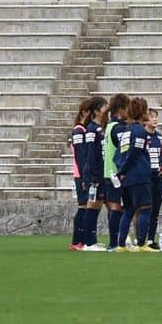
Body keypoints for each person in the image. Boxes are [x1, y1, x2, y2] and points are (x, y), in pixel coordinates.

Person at [114, 97, 156, 252]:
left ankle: (121, 245)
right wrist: (124, 171)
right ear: (142, 112)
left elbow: (117, 155)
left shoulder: (125, 131)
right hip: (138, 176)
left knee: (129, 210)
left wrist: (121, 172)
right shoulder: (140, 131)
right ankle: (141, 244)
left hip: (126, 178)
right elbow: (135, 153)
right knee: (145, 209)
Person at [78, 96, 109, 251]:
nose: (107, 109)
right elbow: (90, 155)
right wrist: (92, 176)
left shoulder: (101, 128)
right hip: (96, 175)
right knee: (93, 206)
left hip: (102, 174)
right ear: (97, 111)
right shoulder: (91, 129)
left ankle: (92, 240)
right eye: (104, 107)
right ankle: (89, 242)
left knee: (97, 206)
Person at [101, 93, 130, 251]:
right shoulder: (118, 127)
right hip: (115, 173)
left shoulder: (109, 125)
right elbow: (123, 149)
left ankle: (115, 241)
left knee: (115, 207)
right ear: (121, 109)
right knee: (116, 207)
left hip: (108, 172)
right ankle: (114, 242)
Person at [68, 99, 93, 251]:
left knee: (85, 206)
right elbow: (80, 155)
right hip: (81, 174)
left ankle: (81, 240)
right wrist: (85, 176)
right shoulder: (79, 130)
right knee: (83, 206)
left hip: (83, 173)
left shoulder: (83, 130)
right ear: (85, 112)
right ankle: (77, 241)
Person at [145, 108, 162, 249]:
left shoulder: (160, 138)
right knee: (143, 209)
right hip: (146, 177)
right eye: (152, 117)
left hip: (158, 177)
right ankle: (140, 237)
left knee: (155, 211)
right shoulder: (142, 136)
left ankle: (151, 239)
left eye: (156, 117)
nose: (155, 120)